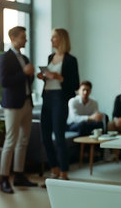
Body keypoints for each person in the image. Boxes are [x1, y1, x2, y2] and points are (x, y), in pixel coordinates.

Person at [0, 26, 37, 194]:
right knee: (10, 141)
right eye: (23, 37)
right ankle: (4, 179)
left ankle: (19, 175)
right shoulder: (4, 58)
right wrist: (24, 72)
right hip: (13, 105)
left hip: (27, 102)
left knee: (24, 140)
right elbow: (4, 82)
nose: (26, 40)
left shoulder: (25, 57)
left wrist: (31, 74)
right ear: (13, 38)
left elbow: (28, 80)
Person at [37, 28, 79, 181]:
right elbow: (50, 79)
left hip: (60, 99)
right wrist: (44, 77)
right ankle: (53, 168)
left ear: (62, 39)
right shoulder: (50, 57)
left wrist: (58, 77)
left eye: (54, 37)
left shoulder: (70, 60)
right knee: (45, 137)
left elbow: (74, 83)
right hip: (47, 97)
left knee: (59, 136)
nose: (51, 40)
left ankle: (64, 171)